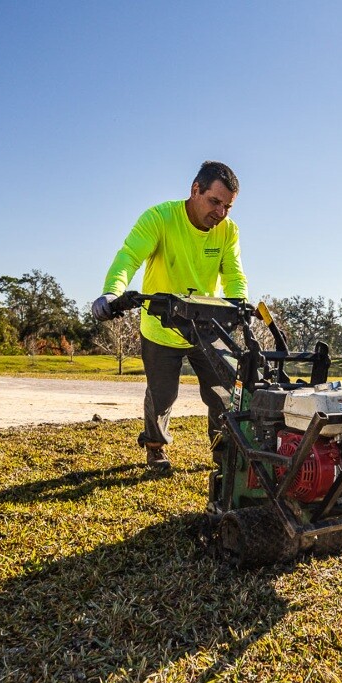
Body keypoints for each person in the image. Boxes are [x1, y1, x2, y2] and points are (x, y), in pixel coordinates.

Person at [92, 161, 247, 473]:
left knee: (222, 393)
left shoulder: (228, 231)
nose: (220, 213)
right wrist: (112, 291)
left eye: (227, 206)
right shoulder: (160, 218)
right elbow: (129, 257)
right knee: (162, 395)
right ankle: (155, 448)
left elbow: (234, 275)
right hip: (162, 324)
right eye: (214, 202)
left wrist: (239, 303)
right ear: (195, 190)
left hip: (206, 325)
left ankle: (223, 454)